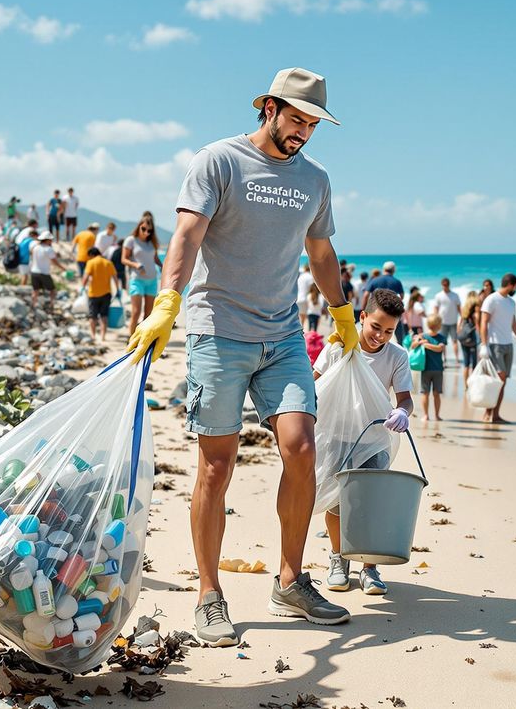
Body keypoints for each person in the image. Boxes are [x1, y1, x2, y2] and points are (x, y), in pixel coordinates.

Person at [126, 67, 356, 646]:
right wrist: (167, 302)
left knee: (301, 449)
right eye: (297, 118)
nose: (303, 131)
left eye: (313, 123)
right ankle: (209, 594)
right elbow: (186, 235)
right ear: (270, 108)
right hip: (217, 332)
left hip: (281, 336)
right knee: (216, 466)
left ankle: (291, 581)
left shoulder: (315, 179)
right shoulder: (218, 161)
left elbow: (321, 249)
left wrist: (342, 310)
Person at [312, 289, 413, 596]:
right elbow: (314, 382)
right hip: (338, 436)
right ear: (363, 317)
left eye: (389, 331)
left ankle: (369, 567)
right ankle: (338, 559)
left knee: (371, 504)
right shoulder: (339, 347)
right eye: (375, 327)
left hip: (374, 438)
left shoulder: (397, 356)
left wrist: (402, 412)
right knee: (338, 501)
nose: (380, 336)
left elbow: (405, 398)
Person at [479, 273, 516, 424]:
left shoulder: (511, 303)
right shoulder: (491, 299)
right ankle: (488, 413)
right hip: (494, 345)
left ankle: (495, 415)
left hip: (508, 345)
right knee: (497, 379)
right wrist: (484, 345)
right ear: (510, 284)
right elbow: (484, 323)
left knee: (503, 381)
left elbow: (514, 325)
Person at [123, 217, 163, 339]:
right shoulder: (131, 240)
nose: (146, 232)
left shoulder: (151, 243)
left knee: (148, 314)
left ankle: (143, 340)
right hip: (137, 280)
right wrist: (135, 264)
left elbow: (155, 259)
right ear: (139, 226)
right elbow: (124, 259)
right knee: (135, 312)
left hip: (152, 280)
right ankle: (131, 339)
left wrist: (163, 267)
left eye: (149, 231)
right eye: (144, 229)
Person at [413, 314, 447, 420]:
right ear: (439, 325)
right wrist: (420, 341)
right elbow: (413, 346)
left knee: (436, 394)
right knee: (425, 393)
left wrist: (425, 345)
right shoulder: (423, 336)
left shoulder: (441, 337)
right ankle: (426, 415)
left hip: (438, 369)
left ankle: (436, 415)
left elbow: (439, 349)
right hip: (426, 369)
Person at [82, 246, 119, 342]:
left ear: (91, 255)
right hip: (106, 293)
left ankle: (93, 335)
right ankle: (103, 336)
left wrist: (82, 287)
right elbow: (115, 277)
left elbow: (85, 277)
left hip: (93, 293)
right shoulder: (108, 263)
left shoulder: (91, 262)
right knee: (104, 315)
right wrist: (117, 289)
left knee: (92, 316)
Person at [29, 230, 67, 311]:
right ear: (47, 240)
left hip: (34, 272)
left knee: (35, 290)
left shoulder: (35, 247)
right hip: (44, 273)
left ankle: (32, 306)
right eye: (50, 240)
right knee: (52, 290)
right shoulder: (48, 249)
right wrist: (62, 268)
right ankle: (51, 306)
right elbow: (54, 261)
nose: (51, 241)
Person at [431, 278, 462, 365]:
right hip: (442, 323)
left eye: (446, 285)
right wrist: (435, 320)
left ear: (449, 285)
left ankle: (457, 360)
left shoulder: (455, 295)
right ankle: (444, 360)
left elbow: (460, 309)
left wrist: (462, 320)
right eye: (443, 285)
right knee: (442, 342)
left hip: (453, 322)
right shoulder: (438, 295)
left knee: (454, 341)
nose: (445, 287)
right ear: (441, 285)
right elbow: (435, 309)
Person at [459, 291, 481, 389]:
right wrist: (481, 337)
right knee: (474, 363)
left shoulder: (464, 308)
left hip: (463, 338)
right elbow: (477, 324)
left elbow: (460, 324)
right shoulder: (476, 308)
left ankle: (465, 386)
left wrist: (459, 334)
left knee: (466, 363)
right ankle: (473, 385)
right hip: (472, 338)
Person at [296, 264, 314, 328]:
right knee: (303, 320)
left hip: (297, 299)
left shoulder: (300, 277)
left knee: (299, 318)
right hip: (305, 299)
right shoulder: (311, 277)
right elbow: (313, 290)